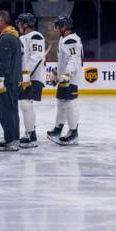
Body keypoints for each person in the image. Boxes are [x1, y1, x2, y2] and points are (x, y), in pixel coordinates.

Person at [47, 16, 83, 146]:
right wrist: (56, 74)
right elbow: (62, 61)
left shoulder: (71, 40)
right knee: (61, 103)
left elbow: (73, 59)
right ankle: (58, 129)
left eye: (58, 26)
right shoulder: (64, 40)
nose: (56, 28)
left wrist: (67, 75)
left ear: (64, 26)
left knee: (70, 104)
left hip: (70, 79)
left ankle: (73, 133)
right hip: (64, 78)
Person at [0, 10, 22, 152]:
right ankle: (13, 138)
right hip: (13, 80)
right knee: (12, 109)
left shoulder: (7, 39)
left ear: (3, 21)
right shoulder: (14, 37)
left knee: (5, 110)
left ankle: (11, 140)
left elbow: (5, 62)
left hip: (7, 81)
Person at [17, 13, 46, 148]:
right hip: (25, 76)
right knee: (25, 104)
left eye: (20, 23)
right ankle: (29, 131)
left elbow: (36, 57)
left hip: (32, 76)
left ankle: (31, 135)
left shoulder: (36, 36)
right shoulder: (23, 37)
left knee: (25, 103)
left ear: (25, 24)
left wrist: (26, 73)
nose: (18, 25)